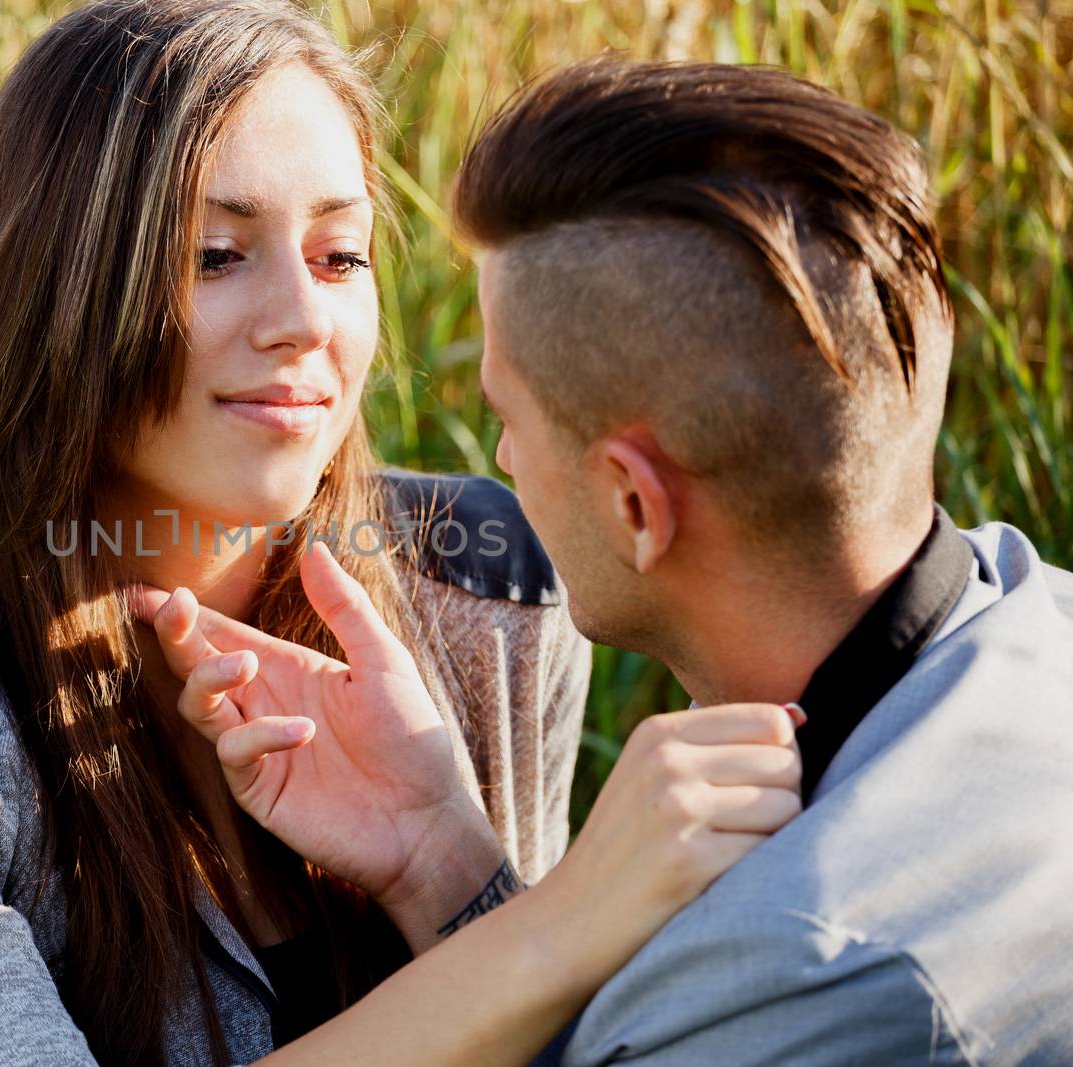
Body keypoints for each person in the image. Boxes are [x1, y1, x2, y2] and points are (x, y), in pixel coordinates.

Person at [0, 6, 804, 1066]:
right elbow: (521, 982)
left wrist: (444, 867)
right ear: (59, 294)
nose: (302, 319)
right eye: (216, 256)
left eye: (339, 256)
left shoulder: (495, 587)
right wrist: (556, 928)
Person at [146, 60, 1073, 1065]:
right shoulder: (1037, 615)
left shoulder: (795, 980)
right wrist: (443, 858)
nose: (496, 461)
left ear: (634, 503)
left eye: (506, 418)